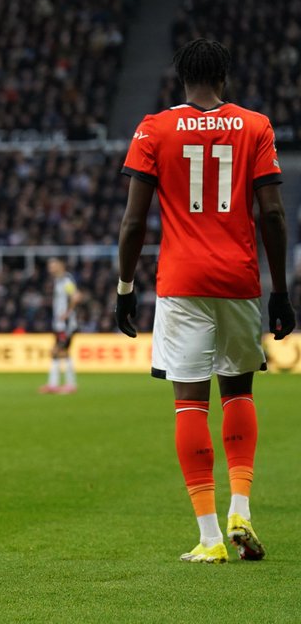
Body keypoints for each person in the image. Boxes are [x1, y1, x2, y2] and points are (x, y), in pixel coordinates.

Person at [116, 38, 294, 564]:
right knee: (239, 394)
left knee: (190, 401)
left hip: (182, 281)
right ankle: (242, 506)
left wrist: (125, 288)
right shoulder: (256, 126)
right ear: (225, 78)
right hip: (239, 280)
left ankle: (211, 538)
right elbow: (274, 214)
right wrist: (280, 290)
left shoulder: (153, 128)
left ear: (181, 78)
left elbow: (133, 222)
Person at [40, 258, 81, 394]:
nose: (50, 268)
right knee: (56, 353)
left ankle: (70, 384)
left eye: (53, 265)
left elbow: (76, 296)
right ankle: (53, 384)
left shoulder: (66, 280)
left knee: (62, 352)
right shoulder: (58, 280)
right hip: (58, 324)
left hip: (66, 324)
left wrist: (67, 313)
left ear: (60, 266)